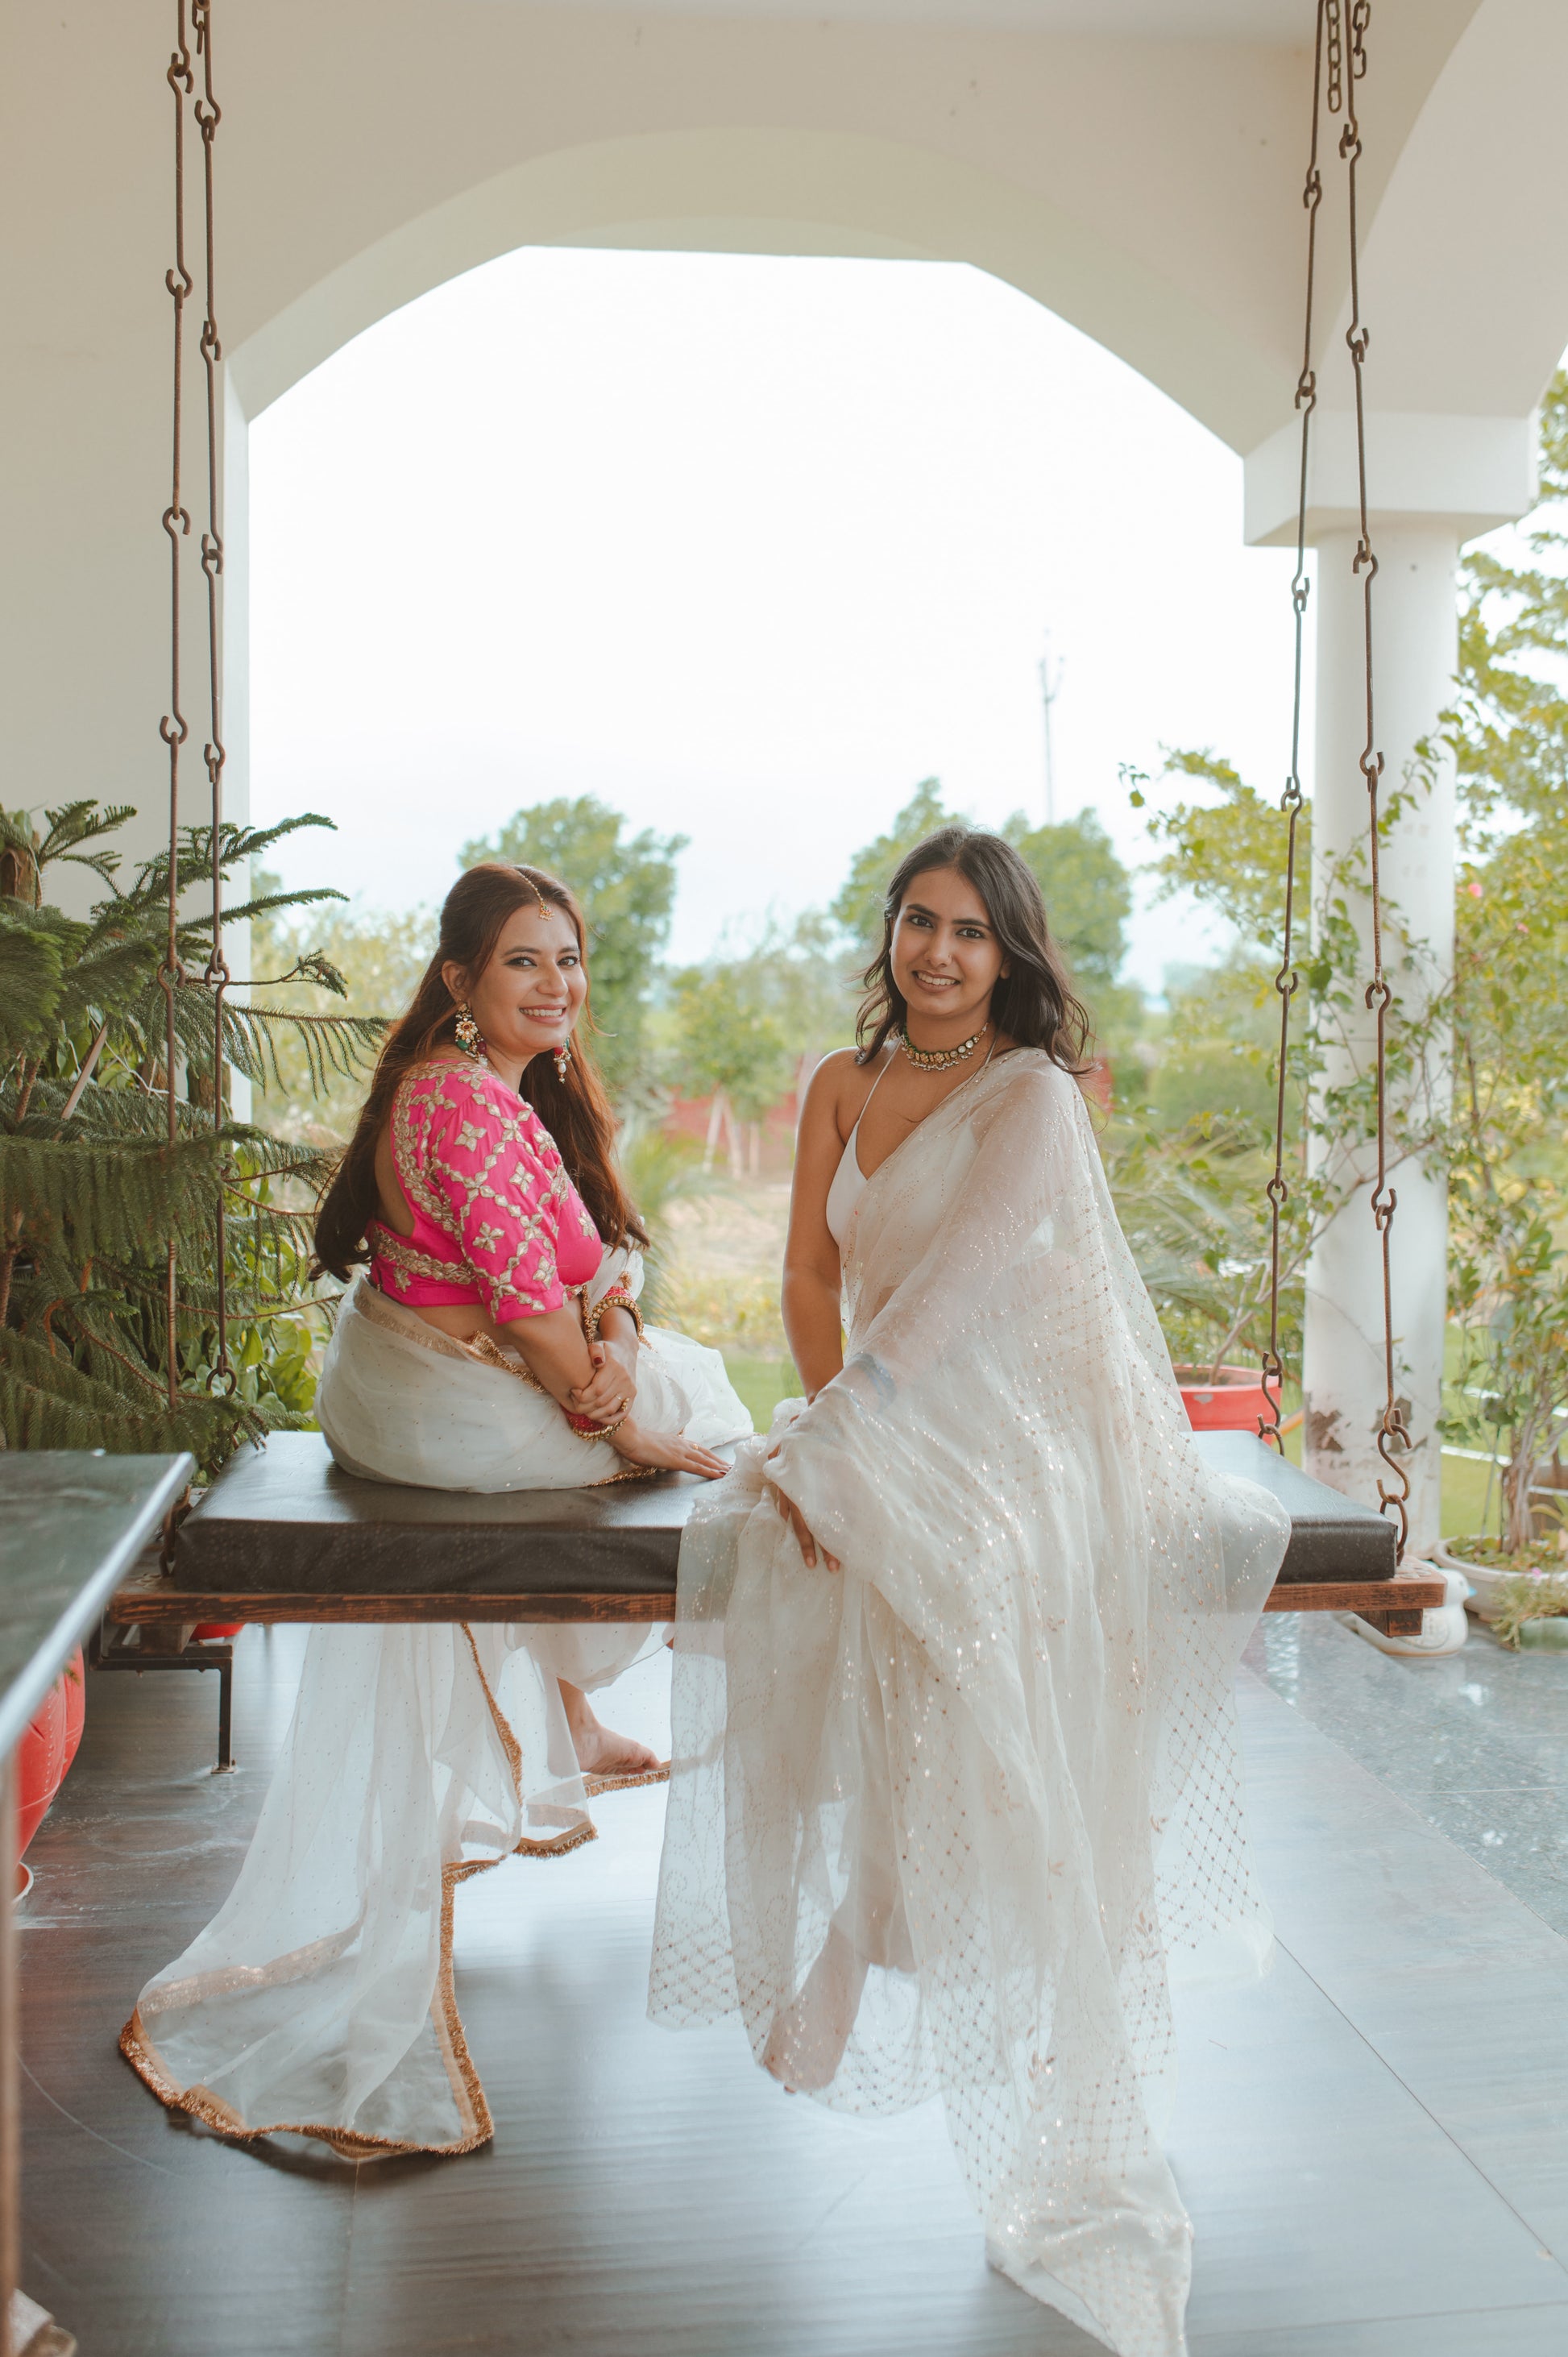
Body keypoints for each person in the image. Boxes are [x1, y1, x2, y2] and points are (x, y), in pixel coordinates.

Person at [649, 828, 1289, 2357]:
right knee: (789, 1542)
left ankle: (868, 1925)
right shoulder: (838, 1083)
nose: (937, 952)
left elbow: (956, 1288)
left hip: (1021, 1422)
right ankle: (880, 1903)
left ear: (1010, 954)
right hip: (878, 1400)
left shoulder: (1033, 1097)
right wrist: (830, 1424)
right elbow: (812, 1280)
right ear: (889, 933)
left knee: (957, 1563)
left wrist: (848, 1437)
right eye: (917, 921)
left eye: (969, 931)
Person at [123, 862, 750, 2157]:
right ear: (460, 979)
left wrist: (615, 1332)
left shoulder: (488, 1092)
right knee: (715, 1418)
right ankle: (607, 1700)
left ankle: (569, 1713)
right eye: (524, 960)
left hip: (432, 1378)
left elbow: (597, 1263)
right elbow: (535, 1313)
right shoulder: (461, 1107)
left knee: (679, 1376)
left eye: (567, 958)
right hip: (451, 1404)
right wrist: (621, 1411)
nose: (556, 983)